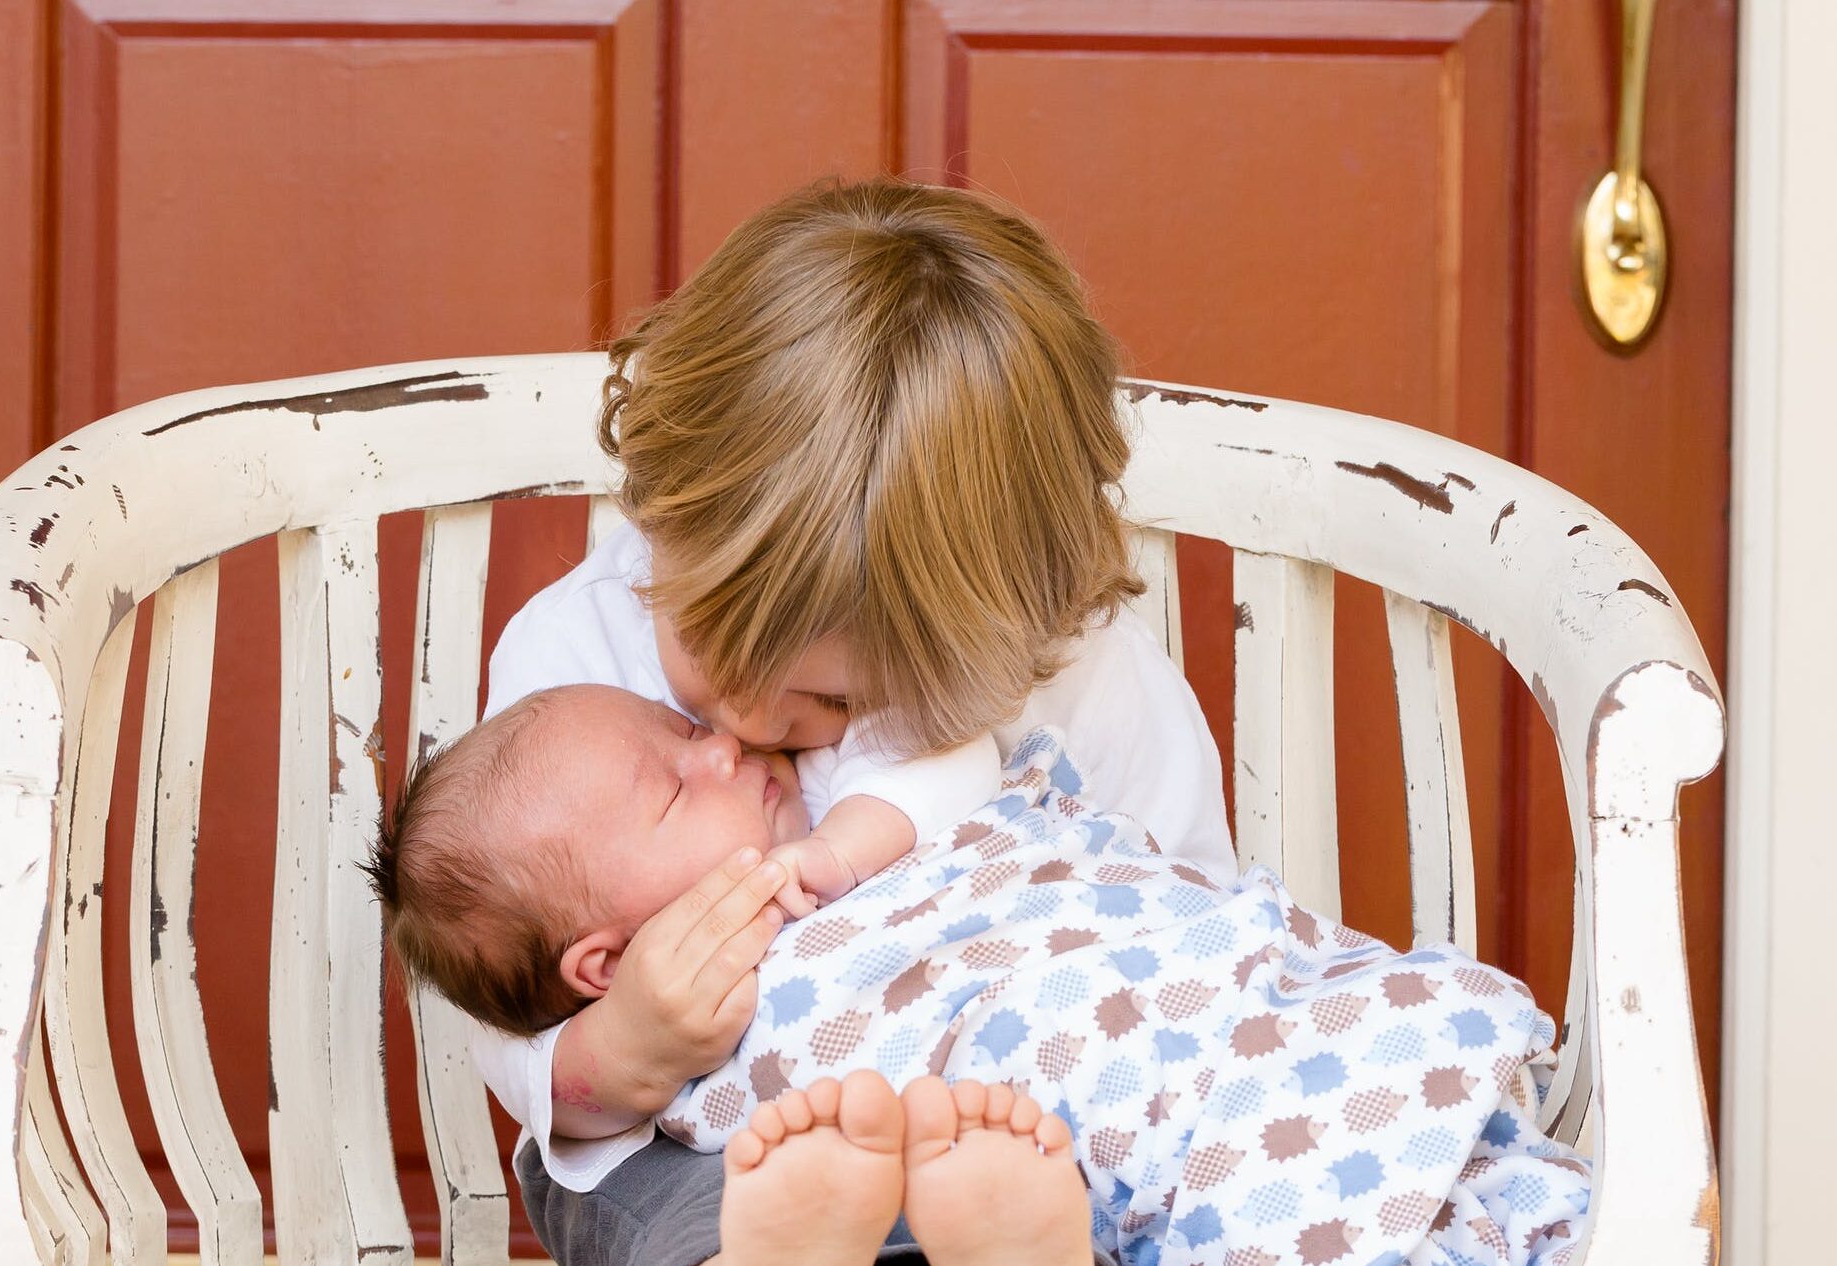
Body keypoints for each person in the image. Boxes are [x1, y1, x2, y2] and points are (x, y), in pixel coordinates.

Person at [404, 175, 1233, 1266]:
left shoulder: (1083, 683)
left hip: (1022, 1124)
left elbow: (1196, 937)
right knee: (661, 1208)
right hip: (727, 1147)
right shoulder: (574, 658)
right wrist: (625, 1047)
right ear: (659, 514)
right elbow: (513, 1002)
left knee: (1152, 1186)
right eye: (708, 648)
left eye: (836, 702)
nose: (743, 724)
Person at [375, 695, 1588, 1266]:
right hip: (1060, 1092)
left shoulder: (846, 785)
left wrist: (841, 847)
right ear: (602, 958)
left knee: (1479, 1191)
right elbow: (582, 1118)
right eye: (670, 782)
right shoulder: (722, 991)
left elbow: (970, 772)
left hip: (1230, 1002)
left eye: (680, 726)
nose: (719, 743)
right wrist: (634, 1043)